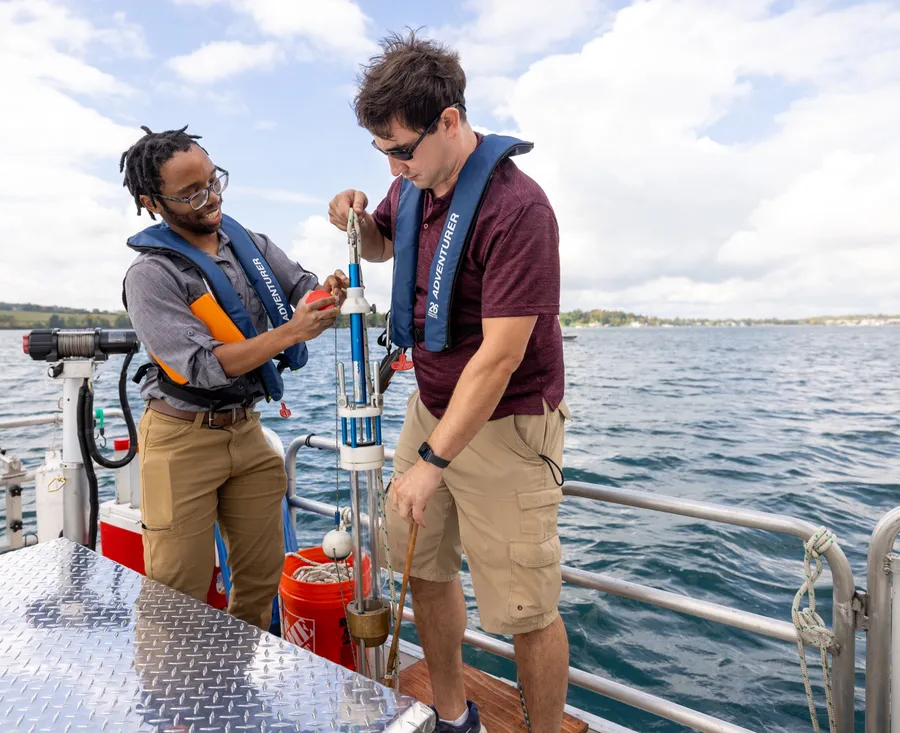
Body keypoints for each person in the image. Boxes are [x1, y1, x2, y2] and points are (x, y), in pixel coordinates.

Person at [328, 33, 571, 733]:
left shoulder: (517, 209)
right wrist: (347, 216)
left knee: (526, 608)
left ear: (451, 122)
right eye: (382, 154)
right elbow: (378, 241)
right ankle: (454, 713)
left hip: (508, 421)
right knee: (425, 570)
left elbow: (499, 358)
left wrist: (433, 462)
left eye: (402, 149)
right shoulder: (412, 185)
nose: (394, 166)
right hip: (430, 403)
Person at [120, 125, 349, 631]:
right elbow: (199, 366)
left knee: (261, 578)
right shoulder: (150, 276)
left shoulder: (250, 243)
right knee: (177, 587)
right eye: (191, 192)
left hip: (246, 431)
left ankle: (240, 695)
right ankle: (167, 702)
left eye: (214, 181)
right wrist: (290, 333)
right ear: (150, 202)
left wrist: (326, 291)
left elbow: (301, 286)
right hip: (181, 439)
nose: (211, 198)